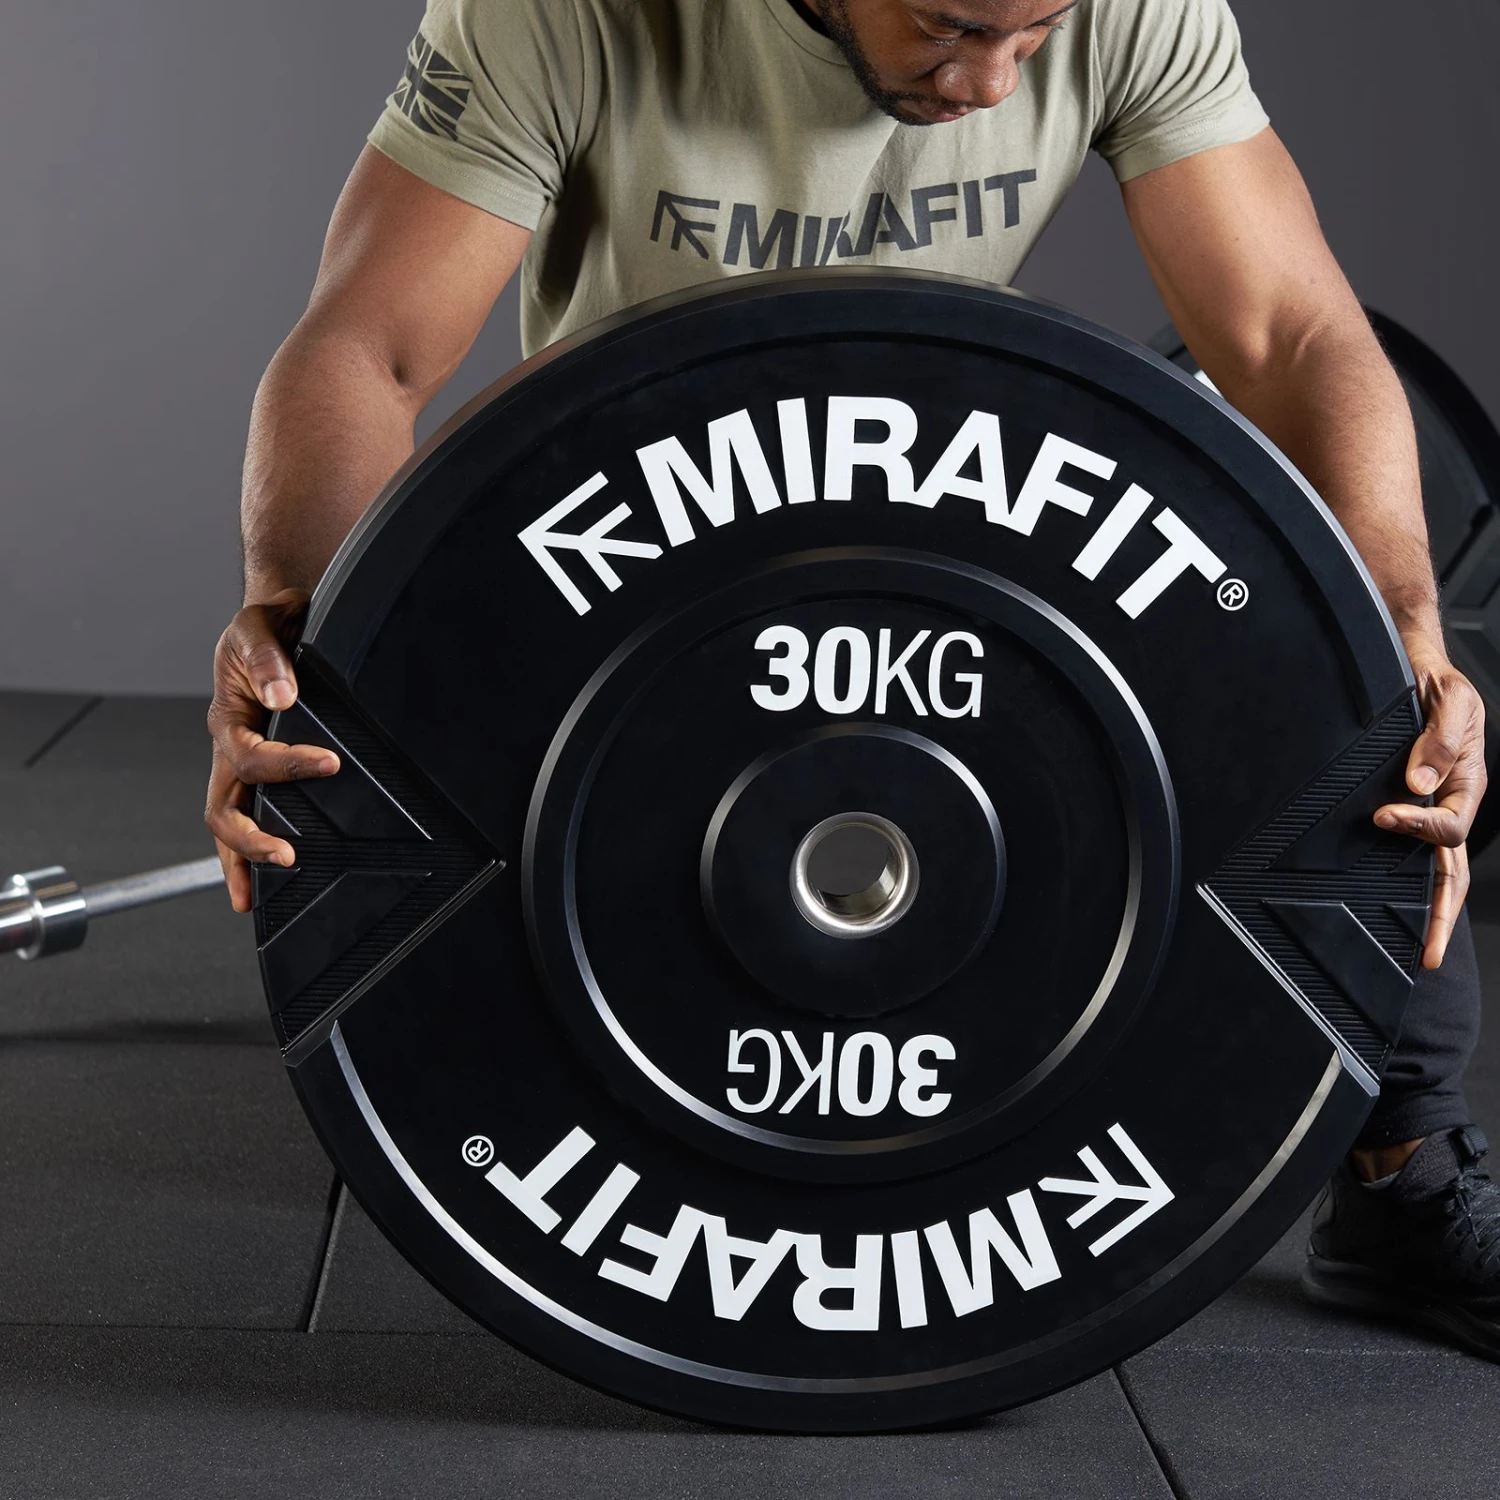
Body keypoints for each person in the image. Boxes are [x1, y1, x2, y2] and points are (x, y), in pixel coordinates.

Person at [205, 0, 1498, 1354]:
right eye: (952, 26)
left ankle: (1400, 1173)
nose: (992, 83)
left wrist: (1403, 627)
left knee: (1338, 688)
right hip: (641, 542)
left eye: (1033, 37)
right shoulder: (560, 12)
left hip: (944, 502)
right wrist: (305, 632)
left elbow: (1292, 332)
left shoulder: (1129, 5)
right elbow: (369, 347)